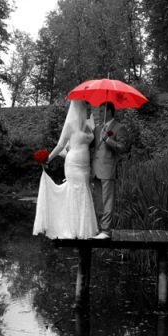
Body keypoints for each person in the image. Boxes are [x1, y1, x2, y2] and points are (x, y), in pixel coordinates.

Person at [33, 100, 98, 239]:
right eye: (88, 109)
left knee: (84, 191)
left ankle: (83, 229)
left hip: (85, 166)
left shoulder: (88, 126)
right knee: (76, 191)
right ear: (80, 110)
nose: (90, 112)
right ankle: (74, 229)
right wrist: (48, 158)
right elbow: (61, 145)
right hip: (73, 164)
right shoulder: (70, 125)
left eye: (90, 109)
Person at [91, 101, 128, 239]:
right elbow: (91, 145)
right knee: (98, 200)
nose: (99, 113)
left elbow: (123, 148)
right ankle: (98, 228)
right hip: (95, 169)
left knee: (107, 199)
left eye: (101, 111)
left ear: (110, 112)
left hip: (108, 168)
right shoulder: (97, 128)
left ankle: (106, 230)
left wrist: (108, 139)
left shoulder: (119, 127)